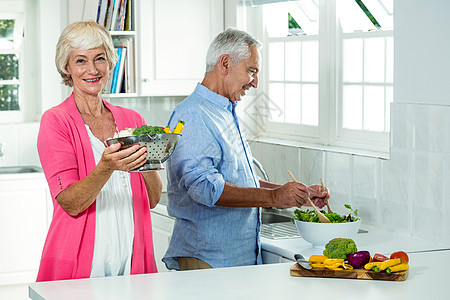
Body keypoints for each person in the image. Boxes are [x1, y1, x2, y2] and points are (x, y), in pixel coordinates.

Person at [162, 28, 329, 271]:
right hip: (208, 259)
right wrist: (274, 197)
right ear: (226, 63)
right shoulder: (194, 114)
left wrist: (296, 195)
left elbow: (239, 180)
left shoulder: (224, 111)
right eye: (252, 71)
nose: (255, 82)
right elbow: (206, 189)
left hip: (232, 259)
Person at [36, 21, 162, 282]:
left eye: (99, 59)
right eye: (81, 60)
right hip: (82, 264)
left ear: (110, 63)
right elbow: (70, 203)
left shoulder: (133, 119)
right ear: (66, 68)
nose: (92, 70)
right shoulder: (56, 121)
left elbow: (153, 199)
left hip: (132, 260)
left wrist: (146, 162)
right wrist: (106, 166)